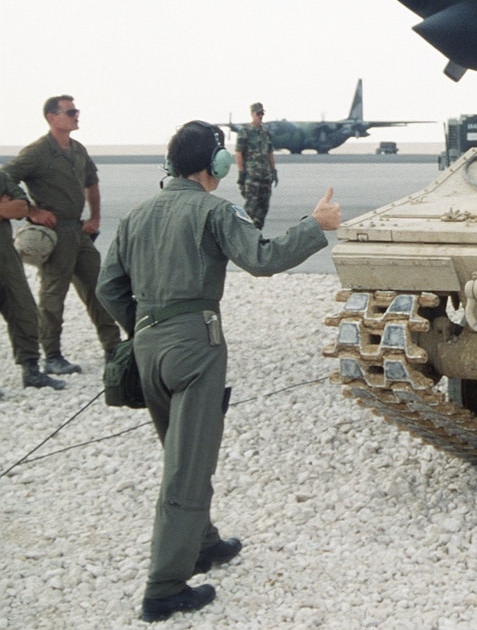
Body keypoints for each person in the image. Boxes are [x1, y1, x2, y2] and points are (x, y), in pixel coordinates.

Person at [96, 120, 340, 622]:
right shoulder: (214, 210)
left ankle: (203, 544)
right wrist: (318, 225)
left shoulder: (138, 214)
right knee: (186, 468)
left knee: (183, 450)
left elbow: (108, 287)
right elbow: (263, 258)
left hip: (148, 346)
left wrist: (142, 330)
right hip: (195, 348)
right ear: (217, 164)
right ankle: (164, 588)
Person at [3, 95, 122, 373]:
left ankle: (113, 349)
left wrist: (95, 217)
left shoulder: (78, 150)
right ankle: (52, 356)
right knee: (52, 296)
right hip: (53, 233)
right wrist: (32, 211)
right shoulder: (37, 152)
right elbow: (7, 177)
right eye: (70, 112)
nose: (76, 116)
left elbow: (92, 184)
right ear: (52, 117)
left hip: (78, 231)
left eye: (76, 111)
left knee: (100, 289)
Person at [0, 167, 66, 394]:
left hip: (6, 258)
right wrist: (2, 207)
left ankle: (31, 370)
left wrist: (10, 207)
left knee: (24, 310)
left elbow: (21, 207)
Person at [236, 101, 277, 229]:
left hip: (265, 175)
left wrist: (273, 171)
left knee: (264, 206)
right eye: (258, 113)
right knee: (251, 206)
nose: (260, 116)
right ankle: (244, 233)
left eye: (262, 114)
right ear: (252, 114)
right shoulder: (245, 132)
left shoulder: (265, 132)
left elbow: (270, 152)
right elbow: (239, 153)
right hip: (251, 176)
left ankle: (257, 233)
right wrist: (241, 173)